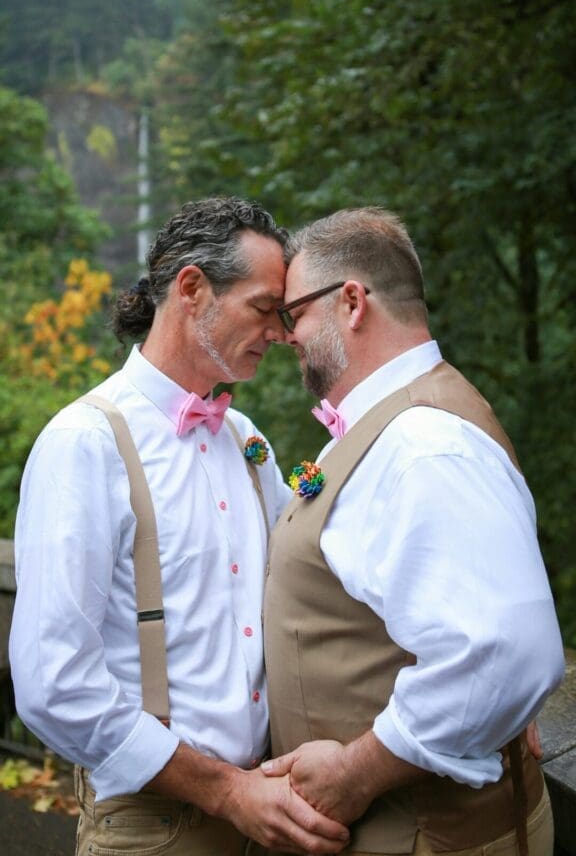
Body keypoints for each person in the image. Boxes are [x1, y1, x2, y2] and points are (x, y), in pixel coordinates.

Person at [9, 197, 350, 856]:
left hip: (270, 811)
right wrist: (226, 791)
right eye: (264, 308)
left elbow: (320, 566)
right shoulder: (85, 443)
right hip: (154, 827)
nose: (283, 334)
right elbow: (53, 685)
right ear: (192, 289)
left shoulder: (246, 441)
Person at [262, 206, 565, 856]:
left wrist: (353, 774)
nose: (286, 335)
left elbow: (505, 652)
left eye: (294, 314)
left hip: (427, 838)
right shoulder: (406, 423)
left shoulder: (423, 445)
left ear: (351, 302)